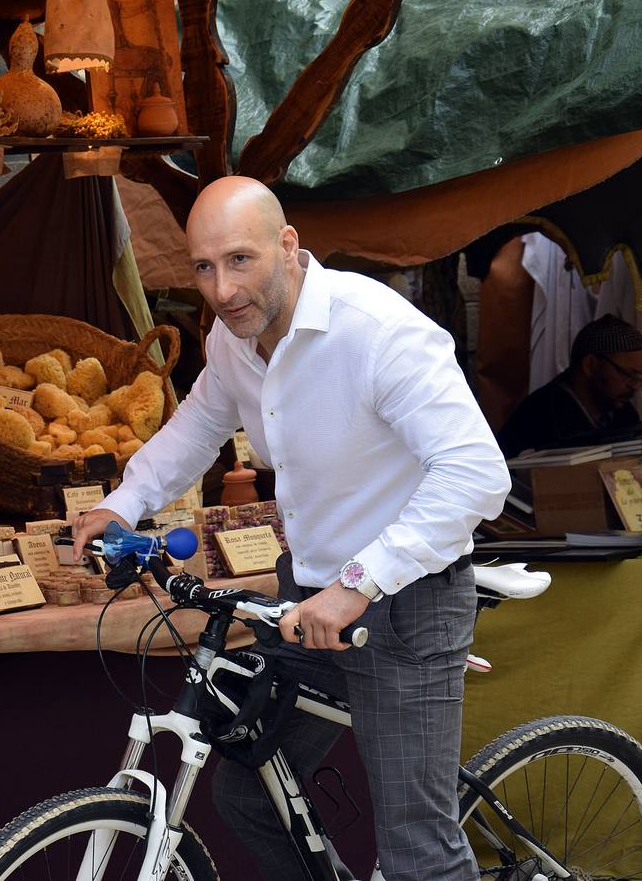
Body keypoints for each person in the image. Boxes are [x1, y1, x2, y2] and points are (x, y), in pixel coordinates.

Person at [72, 177, 510, 881]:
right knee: (250, 794)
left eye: (240, 261)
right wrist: (123, 503)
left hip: (405, 604)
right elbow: (198, 425)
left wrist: (358, 583)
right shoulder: (233, 337)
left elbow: (477, 476)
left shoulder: (377, 332)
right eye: (204, 268)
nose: (220, 289)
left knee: (416, 849)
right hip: (304, 602)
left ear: (287, 246)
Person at [496, 314, 642, 456]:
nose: (635, 386)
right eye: (629, 375)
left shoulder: (623, 412)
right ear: (590, 365)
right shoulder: (539, 418)